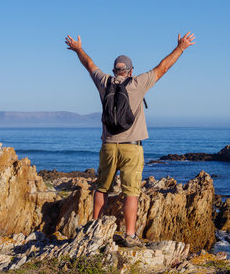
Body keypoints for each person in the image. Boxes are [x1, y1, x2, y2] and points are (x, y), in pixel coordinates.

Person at [65, 32, 195, 247]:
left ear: (115, 70)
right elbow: (163, 67)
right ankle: (131, 235)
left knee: (101, 188)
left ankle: (95, 228)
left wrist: (78, 48)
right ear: (130, 71)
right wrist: (181, 48)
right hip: (131, 148)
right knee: (131, 193)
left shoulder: (104, 81)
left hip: (108, 146)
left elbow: (89, 65)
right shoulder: (137, 83)